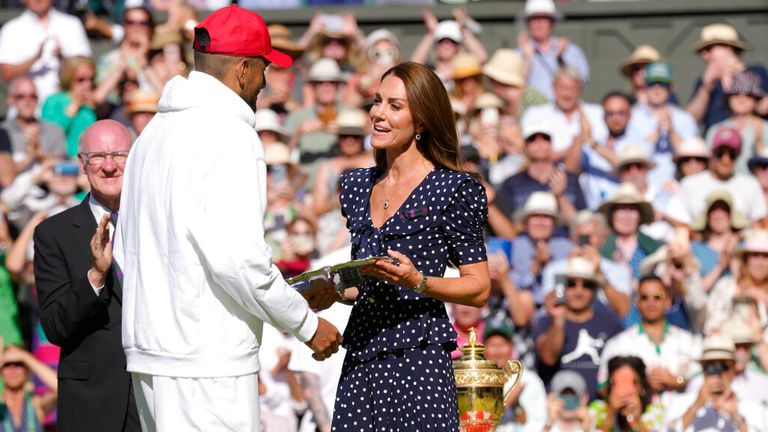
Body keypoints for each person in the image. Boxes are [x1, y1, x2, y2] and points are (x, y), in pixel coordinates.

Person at [114, 7, 342, 431]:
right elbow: (239, 261)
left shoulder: (149, 137)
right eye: (263, 68)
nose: (266, 81)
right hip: (206, 362)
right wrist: (307, 325)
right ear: (242, 69)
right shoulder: (231, 136)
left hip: (151, 352)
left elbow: (126, 249)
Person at [332, 61, 491, 431]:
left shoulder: (453, 189)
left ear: (421, 122)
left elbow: (479, 288)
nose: (378, 114)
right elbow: (363, 282)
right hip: (362, 356)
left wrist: (418, 281)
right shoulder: (356, 186)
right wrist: (332, 289)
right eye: (377, 101)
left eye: (394, 106)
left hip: (418, 359)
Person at [32, 120, 139, 432]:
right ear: (82, 164)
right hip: (92, 401)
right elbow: (54, 325)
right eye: (97, 157)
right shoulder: (54, 233)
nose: (109, 166)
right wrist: (95, 276)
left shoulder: (157, 223)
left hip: (156, 392)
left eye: (119, 155)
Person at [534, 256, 623, 401]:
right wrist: (558, 320)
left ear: (594, 290)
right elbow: (549, 358)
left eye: (586, 285)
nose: (578, 291)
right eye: (571, 284)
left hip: (599, 409)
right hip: (558, 410)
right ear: (562, 287)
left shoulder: (610, 322)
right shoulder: (546, 321)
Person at [597, 276, 701, 399]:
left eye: (657, 297)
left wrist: (677, 380)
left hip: (683, 416)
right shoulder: (619, 344)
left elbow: (702, 380)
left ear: (668, 301)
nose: (650, 302)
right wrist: (640, 386)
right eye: (644, 297)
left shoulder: (688, 341)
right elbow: (602, 387)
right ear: (637, 303)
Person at [664, 333, 767, 431]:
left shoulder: (752, 408)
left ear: (733, 368)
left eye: (724, 367)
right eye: (711, 367)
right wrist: (695, 407)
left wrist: (736, 416)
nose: (718, 375)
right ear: (702, 368)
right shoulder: (679, 403)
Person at [0, 0, 91, 105]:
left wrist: (62, 58)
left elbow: (86, 69)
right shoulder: (10, 29)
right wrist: (35, 58)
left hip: (67, 108)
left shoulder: (72, 24)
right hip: (27, 109)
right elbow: (6, 75)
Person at [686, 23, 768, 131]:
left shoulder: (756, 72)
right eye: (702, 51)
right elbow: (689, 120)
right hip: (716, 142)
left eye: (709, 49)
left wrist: (741, 75)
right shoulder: (704, 82)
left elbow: (764, 108)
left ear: (728, 49)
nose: (704, 55)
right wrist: (706, 88)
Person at [483, 319, 547, 432]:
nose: (498, 351)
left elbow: (538, 423)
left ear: (511, 346)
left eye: (502, 345)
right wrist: (508, 400)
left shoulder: (528, 380)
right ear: (483, 348)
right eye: (493, 345)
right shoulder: (475, 380)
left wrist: (517, 405)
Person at [517, 0, 589, 101]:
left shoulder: (571, 52)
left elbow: (581, 83)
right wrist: (527, 59)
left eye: (543, 18)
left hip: (563, 110)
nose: (538, 23)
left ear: (552, 22)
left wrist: (561, 60)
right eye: (534, 19)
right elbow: (514, 88)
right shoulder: (518, 53)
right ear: (528, 23)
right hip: (532, 112)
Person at [705, 71, 768, 175]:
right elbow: (709, 165)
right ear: (728, 98)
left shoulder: (765, 127)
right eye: (736, 94)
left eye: (748, 95)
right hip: (725, 185)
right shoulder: (716, 129)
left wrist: (759, 140)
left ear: (756, 99)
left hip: (756, 187)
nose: (742, 98)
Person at [2, 76, 67, 175]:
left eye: (33, 96)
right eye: (21, 96)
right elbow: (4, 177)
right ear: (11, 100)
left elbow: (63, 172)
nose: (28, 101)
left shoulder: (54, 130)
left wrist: (38, 151)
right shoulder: (2, 132)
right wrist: (30, 156)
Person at [0, 342, 58, 432]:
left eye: (18, 364)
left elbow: (60, 386)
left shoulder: (35, 405)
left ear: (27, 370)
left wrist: (25, 356)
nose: (12, 370)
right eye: (7, 365)